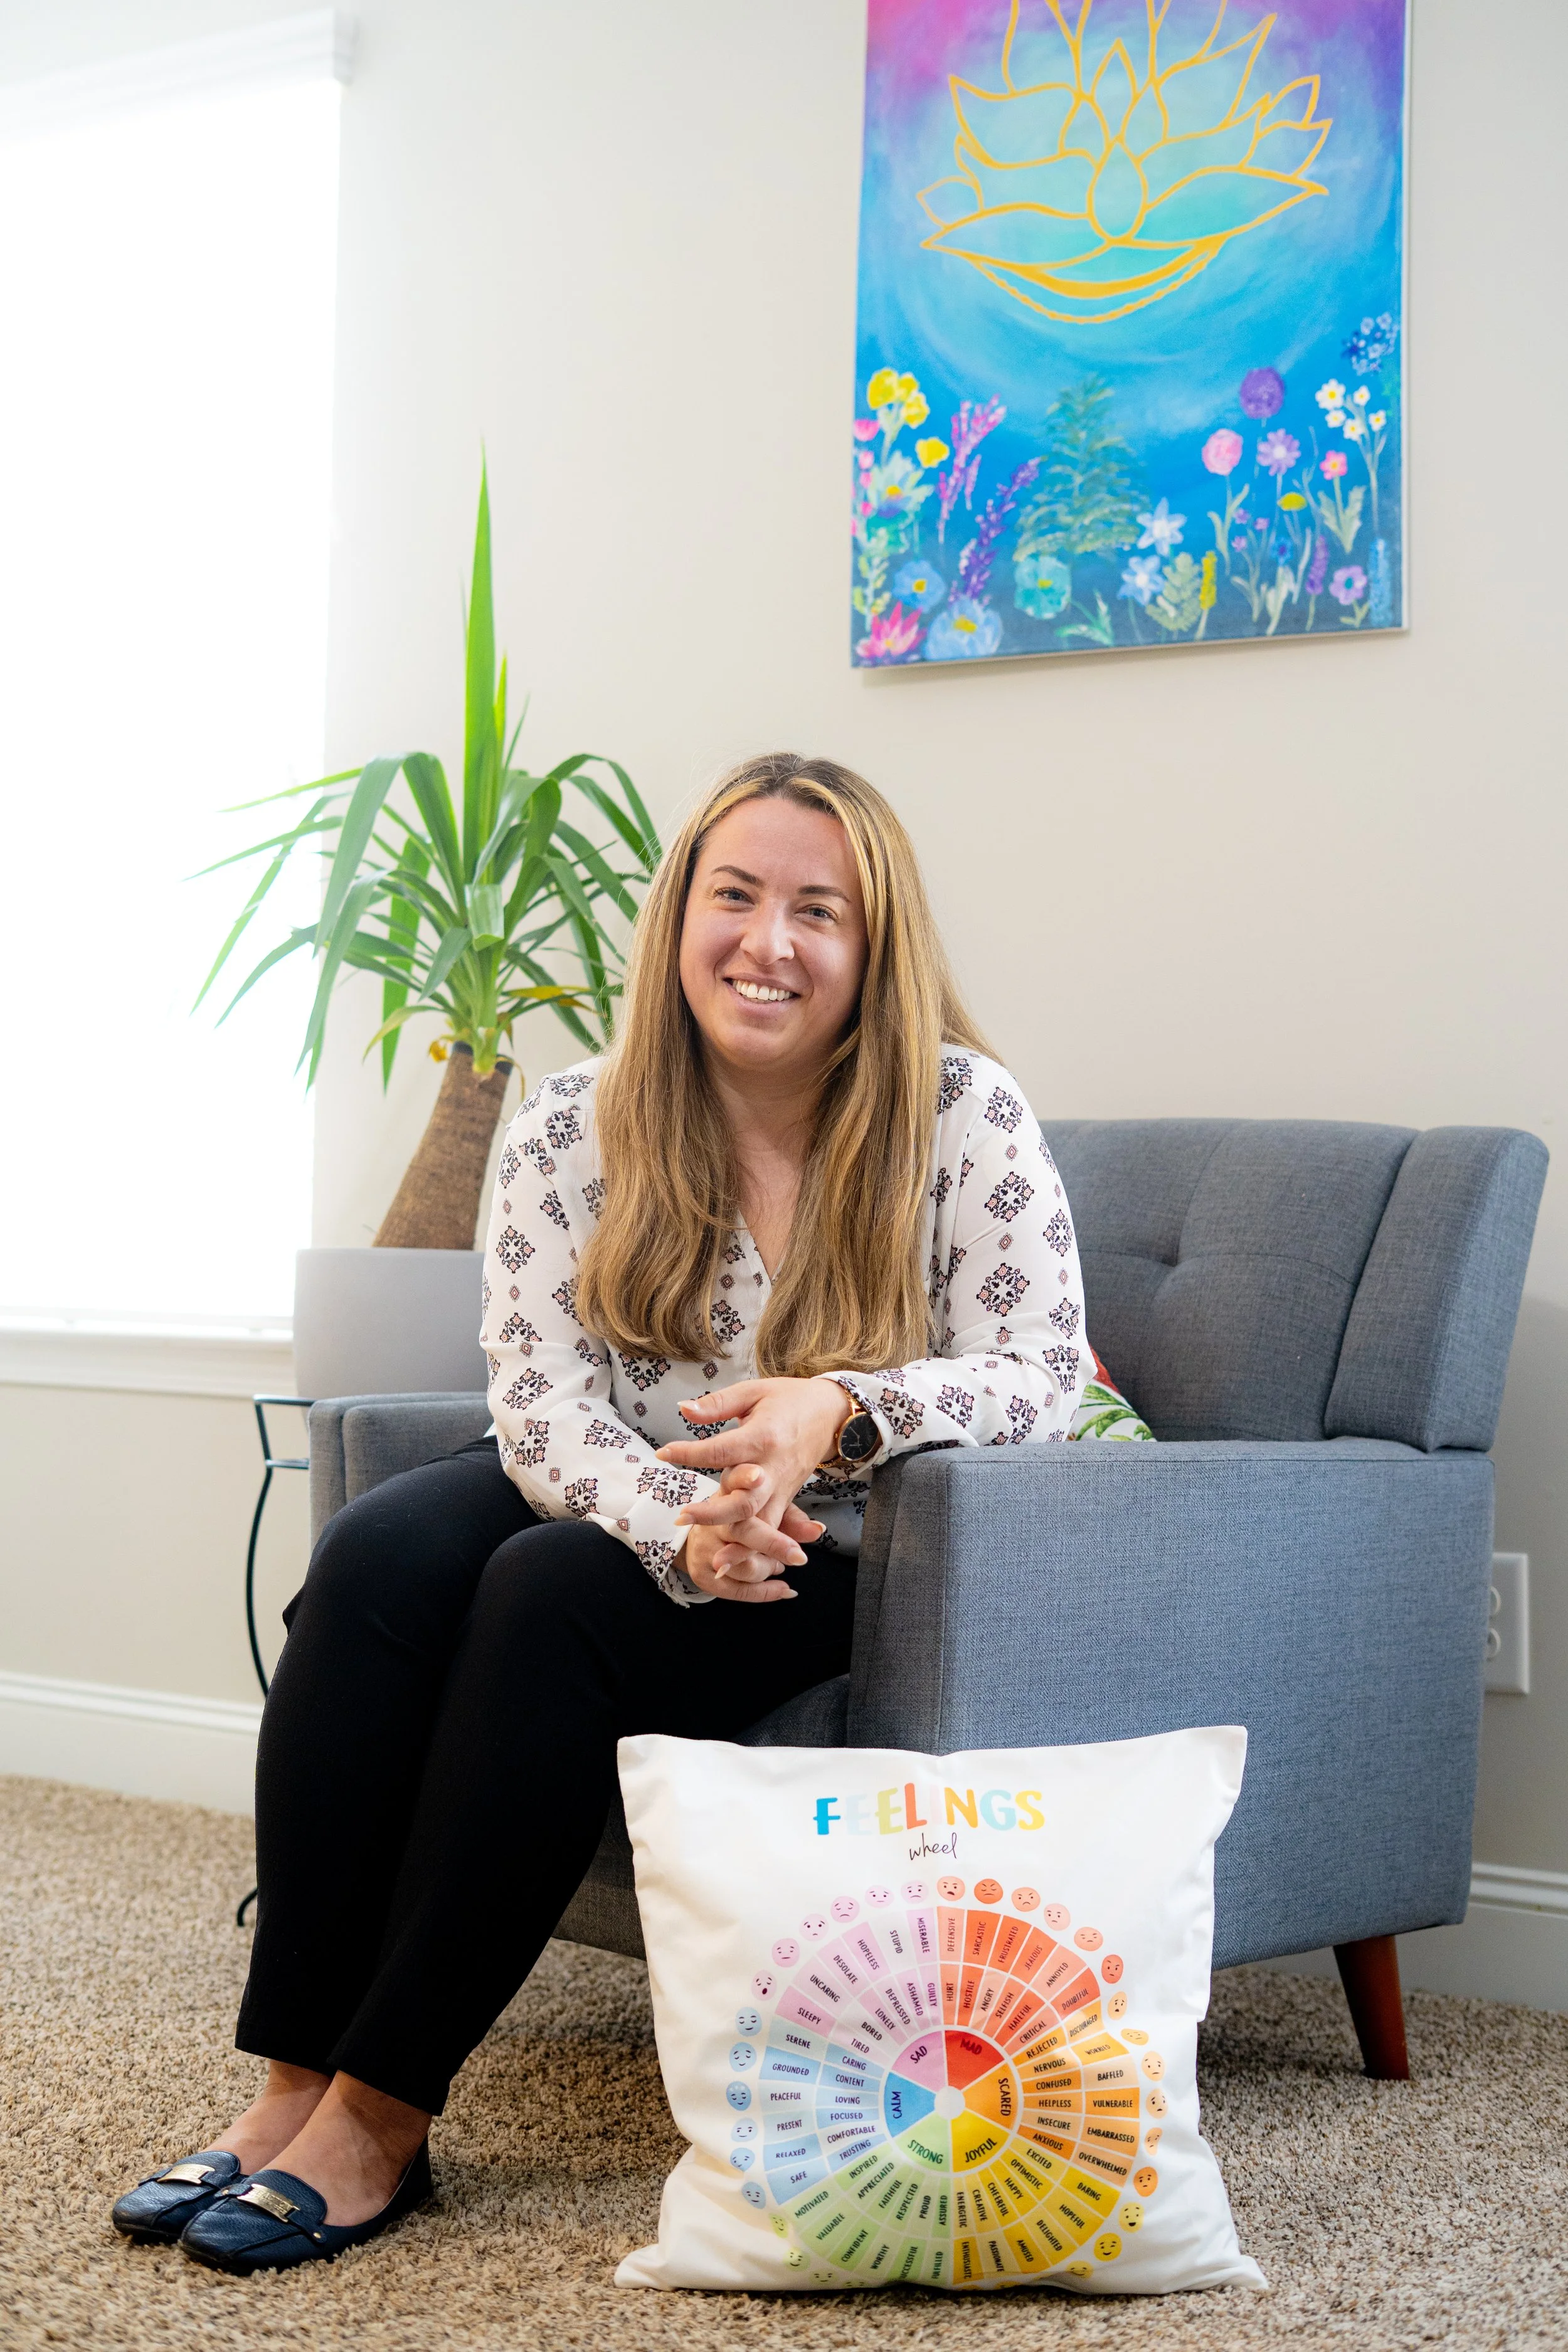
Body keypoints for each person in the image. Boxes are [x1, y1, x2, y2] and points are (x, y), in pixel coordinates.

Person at [112, 751, 1091, 2273]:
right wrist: (673, 1519)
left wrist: (838, 1404)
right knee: (373, 1555)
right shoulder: (576, 1117)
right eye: (737, 896)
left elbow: (1039, 1375)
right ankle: (287, 2087)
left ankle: (379, 2119)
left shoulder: (964, 1113)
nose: (769, 941)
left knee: (550, 1595)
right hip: (629, 1492)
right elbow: (538, 1397)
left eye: (816, 910)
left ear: (872, 945)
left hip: (844, 1542)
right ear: (677, 917)